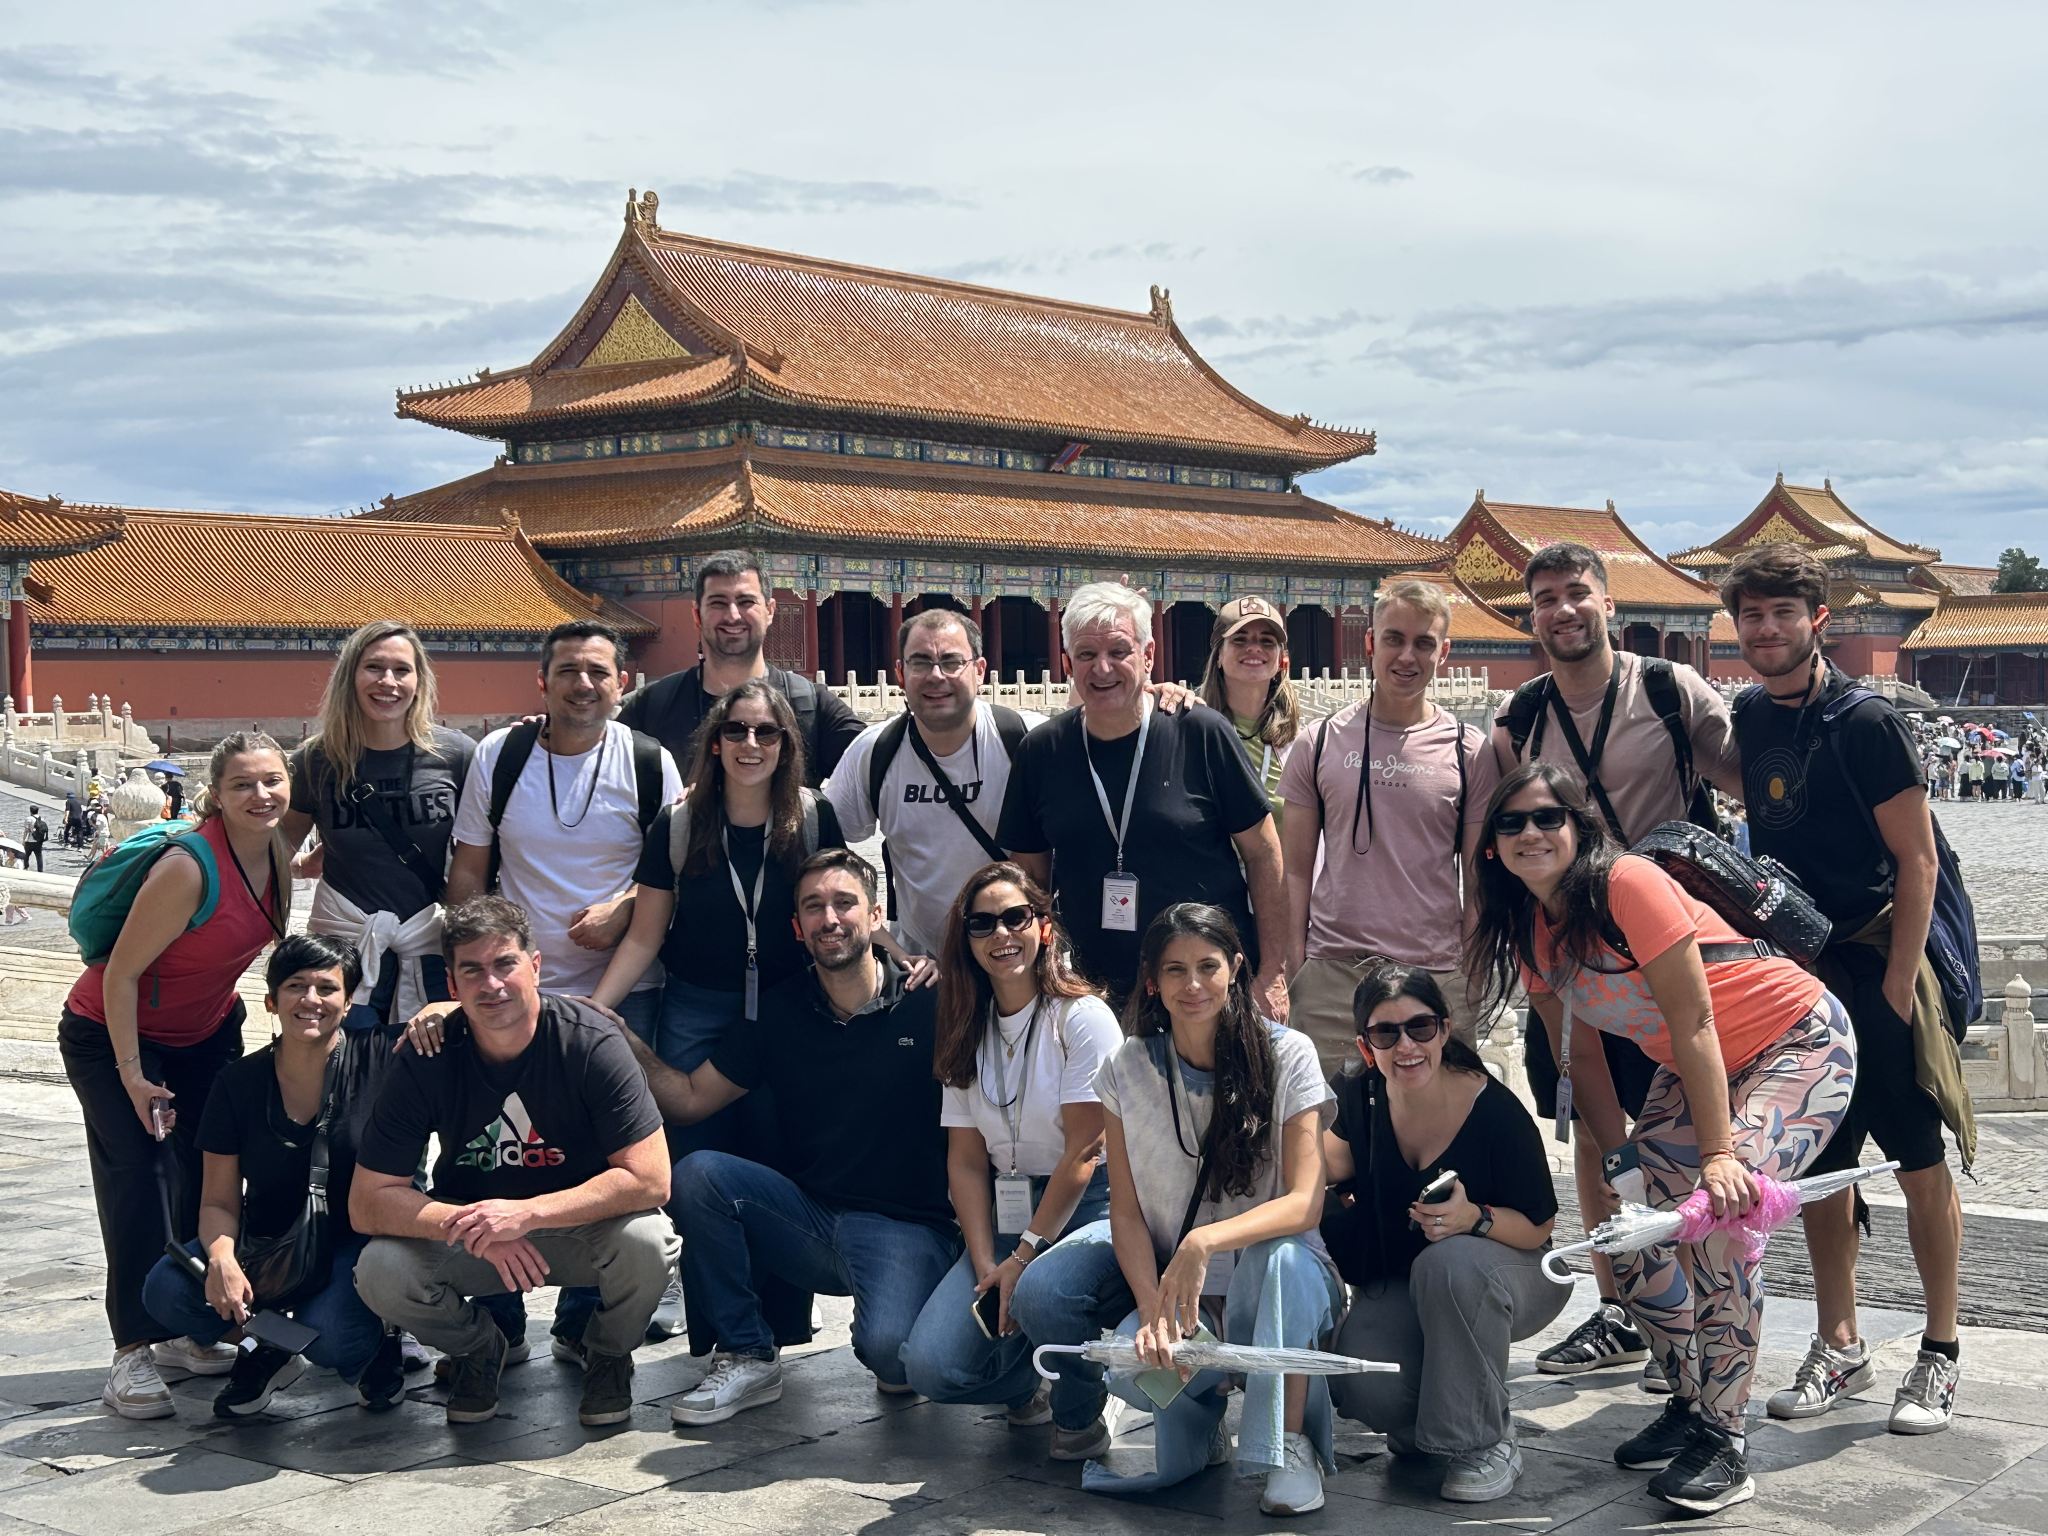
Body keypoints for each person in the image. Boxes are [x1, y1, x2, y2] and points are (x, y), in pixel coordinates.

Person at [1469, 761, 1857, 1515]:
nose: (1531, 833)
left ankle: (1725, 1435)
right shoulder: (1529, 930)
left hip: (1793, 1043)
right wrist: (1621, 1165)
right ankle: (1687, 1394)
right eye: (1511, 823)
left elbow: (1696, 1019)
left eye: (1548, 817)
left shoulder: (1628, 884)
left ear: (1579, 827)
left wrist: (1718, 1156)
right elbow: (1577, 1055)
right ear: (1492, 848)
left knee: (1717, 1226)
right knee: (1633, 1234)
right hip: (1694, 1069)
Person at [1721, 544, 1971, 1436]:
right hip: (1796, 974)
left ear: (1816, 620)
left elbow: (1918, 859)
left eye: (1782, 613)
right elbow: (1746, 791)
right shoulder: (1750, 714)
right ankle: (1840, 1339)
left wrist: (1900, 994)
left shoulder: (1865, 720)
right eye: (1751, 616)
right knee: (1823, 1166)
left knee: (1917, 1157)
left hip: (1875, 962)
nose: (1766, 630)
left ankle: (1940, 1352)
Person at [1490, 541, 1743, 1386]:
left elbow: (1753, 781)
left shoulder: (1670, 690)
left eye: (1577, 594)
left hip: (1666, 949)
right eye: (1545, 599)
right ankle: (1617, 1309)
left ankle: (1693, 1322)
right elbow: (1501, 830)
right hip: (1569, 957)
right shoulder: (1521, 716)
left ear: (1608, 602)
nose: (1562, 611)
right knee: (1597, 1136)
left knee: (1685, 1143)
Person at [1015, 904, 1338, 1515]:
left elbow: (1304, 1202)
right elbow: (1128, 1212)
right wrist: (1149, 1309)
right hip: (1179, 1288)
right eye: (1176, 970)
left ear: (1236, 969)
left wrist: (1203, 1242)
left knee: (1281, 1263)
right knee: (1132, 1371)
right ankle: (1201, 1420)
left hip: (1274, 1277)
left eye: (1208, 967)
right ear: (1152, 981)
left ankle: (1289, 1443)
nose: (1193, 986)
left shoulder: (1290, 1053)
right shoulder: (1126, 1065)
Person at [624, 849, 957, 1425]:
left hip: (905, 1226)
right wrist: (623, 1040)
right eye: (814, 907)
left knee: (892, 1359)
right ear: (797, 930)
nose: (830, 918)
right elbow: (690, 1099)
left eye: (845, 903)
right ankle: (749, 1353)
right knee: (701, 1173)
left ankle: (908, 1324)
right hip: (810, 1221)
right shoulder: (776, 1012)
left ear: (876, 916)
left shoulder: (933, 1004)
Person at [588, 679, 846, 1355]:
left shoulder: (814, 818)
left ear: (788, 743)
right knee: (698, 1166)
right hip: (698, 1008)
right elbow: (644, 935)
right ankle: (722, 1334)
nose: (751, 745)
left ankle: (785, 1322)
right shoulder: (679, 825)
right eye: (737, 731)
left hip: (793, 1009)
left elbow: (838, 911)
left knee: (782, 1162)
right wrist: (596, 1011)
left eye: (767, 732)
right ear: (716, 741)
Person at [350, 896, 677, 1428]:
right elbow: (368, 1203)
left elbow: (652, 1178)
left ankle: (608, 1353)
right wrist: (478, 1223)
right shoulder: (426, 1055)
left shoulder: (591, 1041)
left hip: (581, 1230)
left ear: (536, 966)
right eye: (472, 971)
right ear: (451, 987)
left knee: (650, 1241)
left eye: (505, 963)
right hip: (476, 1235)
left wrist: (527, 1215)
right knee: (380, 1270)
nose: (492, 984)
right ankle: (478, 1348)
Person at [58, 732, 294, 1418]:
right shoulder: (189, 867)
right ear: (215, 794)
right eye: (244, 784)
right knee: (141, 1173)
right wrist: (133, 1076)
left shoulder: (274, 854)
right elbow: (121, 975)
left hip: (206, 1031)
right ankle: (132, 1348)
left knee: (206, 1175)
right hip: (113, 1035)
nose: (262, 795)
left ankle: (190, 1325)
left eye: (273, 781)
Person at [899, 862, 1122, 1445]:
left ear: (1043, 926)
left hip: (1091, 1205)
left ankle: (1083, 1410)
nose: (1000, 935)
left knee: (1044, 1292)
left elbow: (1085, 1151)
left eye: (1015, 918)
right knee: (928, 1368)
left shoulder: (1083, 1018)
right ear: (965, 940)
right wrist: (982, 1263)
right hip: (1008, 1211)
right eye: (982, 924)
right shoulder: (964, 1026)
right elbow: (966, 1160)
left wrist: (1020, 1259)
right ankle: (1033, 1383)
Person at [1325, 964, 1564, 1503]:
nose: (1406, 1044)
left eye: (1421, 1027)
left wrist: (1473, 1218)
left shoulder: (1494, 1109)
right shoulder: (1360, 1098)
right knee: (1365, 1380)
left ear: (1445, 1029)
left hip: (1516, 1270)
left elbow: (1540, 1227)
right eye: (1386, 1033)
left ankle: (1484, 1441)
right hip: (1408, 1282)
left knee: (1450, 1262)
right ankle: (1436, 1423)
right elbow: (1318, 1166)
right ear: (1368, 1047)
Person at [140, 935, 406, 1417]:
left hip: (358, 1241)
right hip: (271, 1239)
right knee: (167, 1289)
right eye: (296, 986)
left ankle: (371, 1349)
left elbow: (466, 1019)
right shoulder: (238, 1082)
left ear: (348, 1003)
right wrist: (221, 1259)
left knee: (330, 1336)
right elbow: (219, 1200)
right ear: (270, 1001)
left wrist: (439, 1012)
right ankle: (272, 1347)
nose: (311, 1000)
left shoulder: (383, 1058)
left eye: (327, 988)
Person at [1000, 582, 1288, 1016]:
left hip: (1206, 988)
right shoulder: (1043, 751)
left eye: (1119, 652)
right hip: (1092, 993)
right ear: (1066, 664)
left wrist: (1273, 975)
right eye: (1086, 655)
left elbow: (1264, 854)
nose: (1102, 669)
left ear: (1148, 656)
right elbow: (1030, 882)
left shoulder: (1200, 732)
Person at [1280, 577, 1498, 1072]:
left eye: (1424, 643)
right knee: (1331, 1131)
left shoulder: (1468, 752)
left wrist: (1471, 973)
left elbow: (1478, 875)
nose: (1407, 657)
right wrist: (1297, 968)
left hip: (1435, 973)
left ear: (1443, 652)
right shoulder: (1319, 743)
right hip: (1334, 974)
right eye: (1395, 639)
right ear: (1371, 643)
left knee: (1436, 1133)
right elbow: (1294, 870)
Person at [283, 622, 478, 1035]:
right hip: (341, 945)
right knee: (340, 1071)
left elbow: (487, 845)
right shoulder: (315, 760)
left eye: (402, 670)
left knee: (423, 1070)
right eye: (374, 667)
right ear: (350, 675)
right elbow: (277, 845)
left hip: (426, 944)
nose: (388, 682)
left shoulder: (456, 754)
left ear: (419, 680)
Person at [827, 608, 1045, 957]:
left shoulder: (1027, 741)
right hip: (925, 965)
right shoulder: (874, 752)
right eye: (920, 662)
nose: (936, 675)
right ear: (900, 673)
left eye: (951, 661)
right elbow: (825, 856)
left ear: (979, 671)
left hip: (1015, 959)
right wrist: (886, 943)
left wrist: (1149, 696)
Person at [619, 548, 863, 787]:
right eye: (718, 603)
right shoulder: (653, 706)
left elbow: (882, 767)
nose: (733, 615)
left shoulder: (810, 706)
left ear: (769, 611)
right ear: (697, 614)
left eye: (746, 601)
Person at [1197, 595, 1298, 821]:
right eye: (1239, 640)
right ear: (1219, 656)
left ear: (1282, 659)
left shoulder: (1302, 743)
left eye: (1267, 641)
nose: (1254, 648)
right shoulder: (1193, 730)